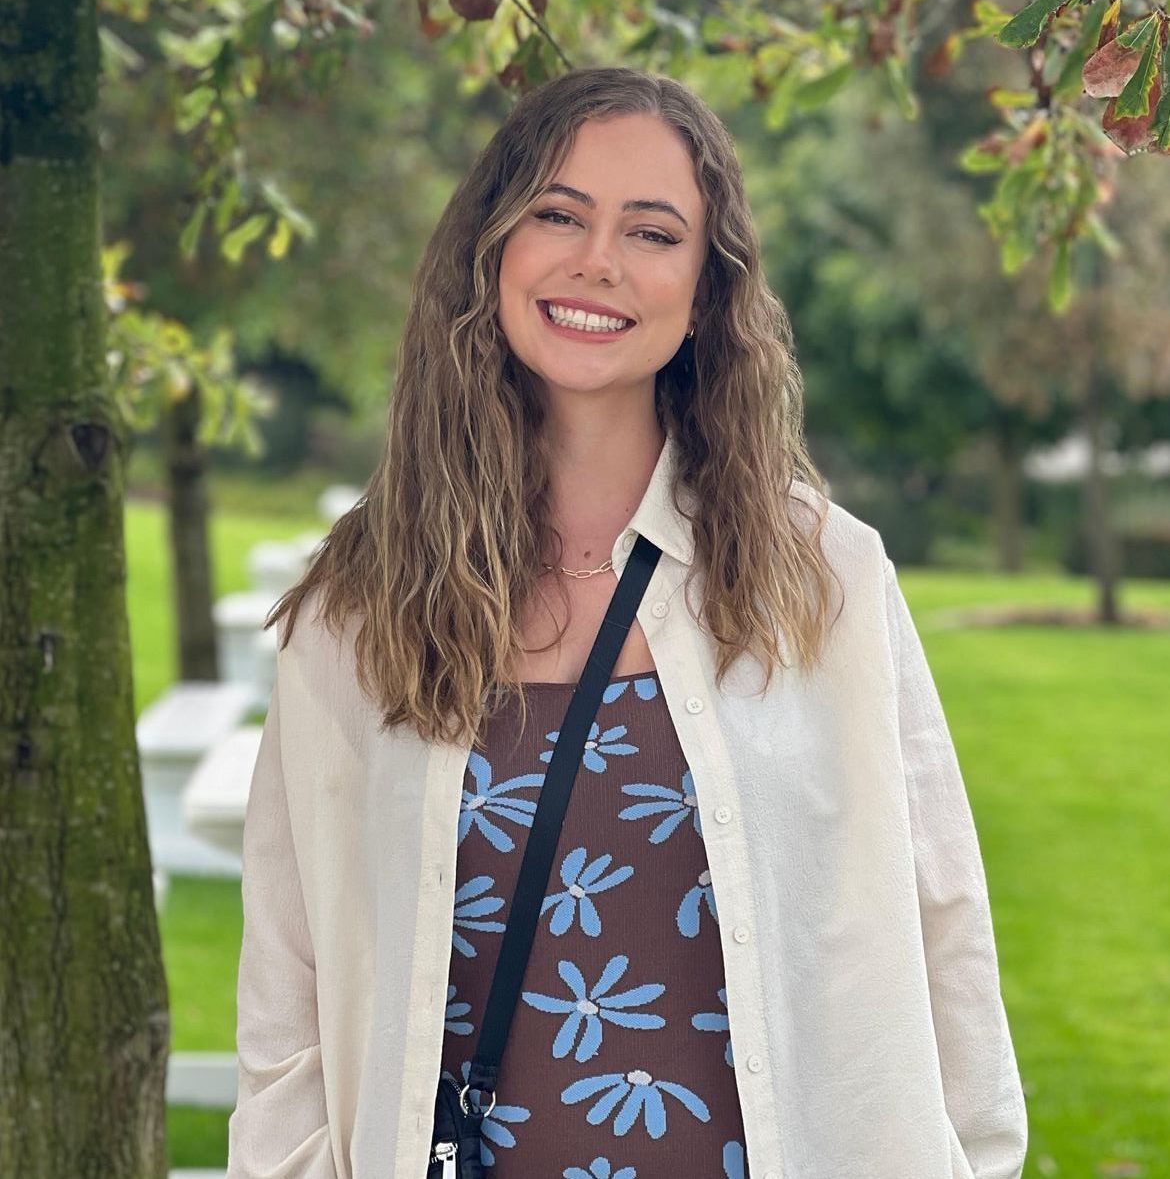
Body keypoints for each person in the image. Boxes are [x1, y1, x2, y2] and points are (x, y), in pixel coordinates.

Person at [226, 66, 1028, 1179]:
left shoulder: (824, 580)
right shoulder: (362, 604)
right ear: (491, 248)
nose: (597, 260)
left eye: (653, 232)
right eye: (558, 213)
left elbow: (945, 928)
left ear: (705, 291)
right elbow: (287, 987)